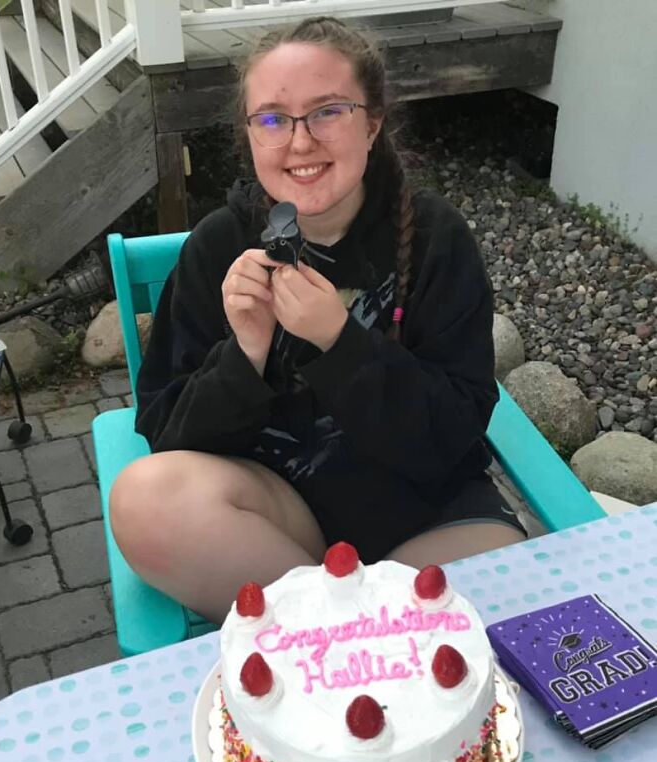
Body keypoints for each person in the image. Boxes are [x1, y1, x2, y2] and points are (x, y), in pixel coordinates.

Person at [110, 16, 526, 626]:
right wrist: (245, 355)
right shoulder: (218, 246)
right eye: (273, 118)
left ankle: (321, 643)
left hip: (423, 515)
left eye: (328, 110)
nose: (300, 142)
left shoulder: (436, 239)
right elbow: (168, 433)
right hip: (279, 524)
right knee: (144, 500)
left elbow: (456, 432)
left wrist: (339, 341)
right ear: (250, 133)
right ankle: (351, 635)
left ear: (373, 121)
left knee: (515, 582)